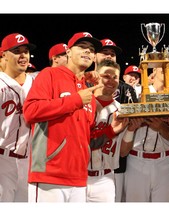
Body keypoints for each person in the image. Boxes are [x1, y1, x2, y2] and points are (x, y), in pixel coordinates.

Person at [23, 32, 102, 202]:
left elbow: (83, 133)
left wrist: (112, 130)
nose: (87, 52)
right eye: (82, 47)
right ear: (68, 52)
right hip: (48, 173)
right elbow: (30, 111)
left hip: (79, 176)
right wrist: (75, 100)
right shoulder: (49, 75)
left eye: (91, 49)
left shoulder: (89, 88)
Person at [124, 55, 169, 202]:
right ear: (153, 70)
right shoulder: (135, 93)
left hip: (164, 160)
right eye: (166, 66)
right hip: (136, 159)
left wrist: (161, 127)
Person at [87, 59, 130, 202]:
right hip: (80, 176)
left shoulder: (122, 110)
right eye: (106, 76)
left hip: (105, 178)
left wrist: (131, 129)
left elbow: (123, 152)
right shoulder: (83, 104)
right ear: (96, 77)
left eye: (115, 77)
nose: (111, 80)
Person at [0, 32, 36, 202]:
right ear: (4, 56)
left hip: (29, 161)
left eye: (26, 51)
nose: (23, 55)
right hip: (2, 160)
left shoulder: (36, 82)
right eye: (16, 51)